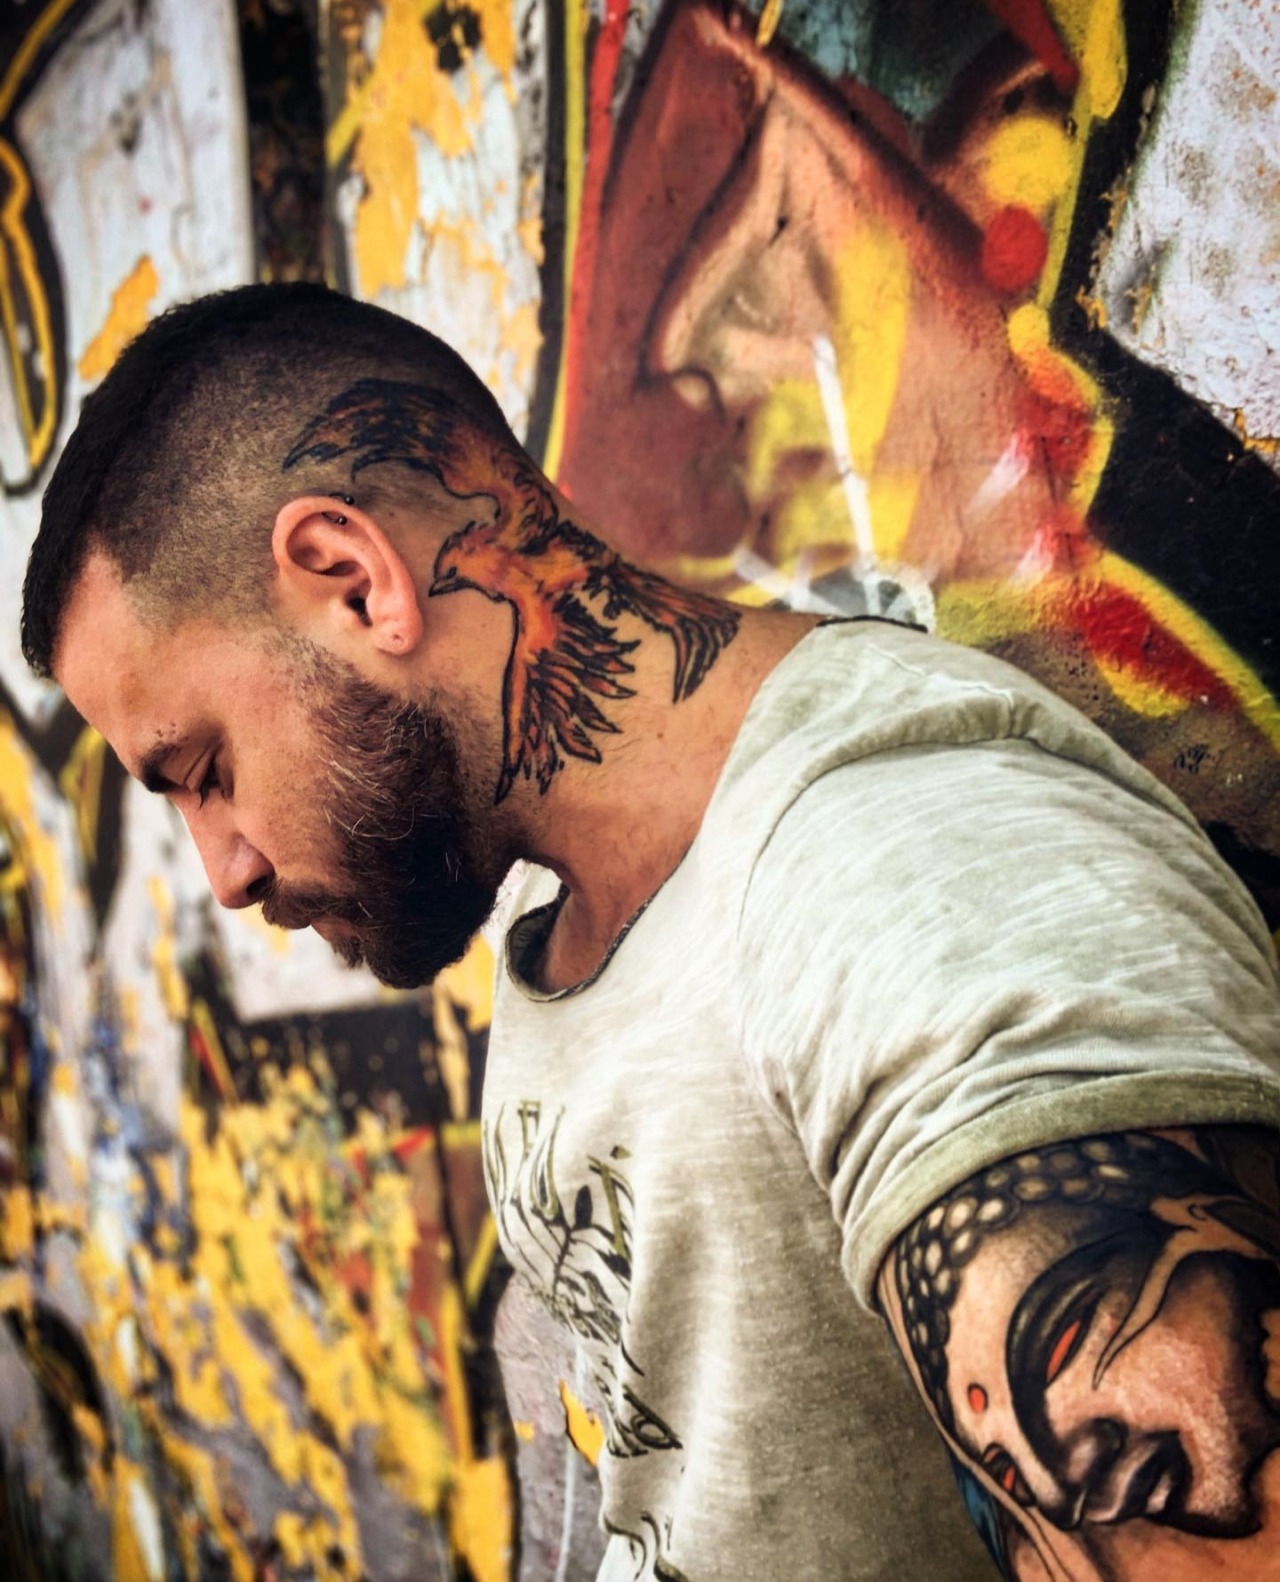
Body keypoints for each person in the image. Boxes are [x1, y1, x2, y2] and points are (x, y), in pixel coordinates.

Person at [24, 282, 1280, 1581]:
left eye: (204, 771)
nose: (224, 872)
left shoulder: (905, 876)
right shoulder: (559, 911)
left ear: (354, 581)